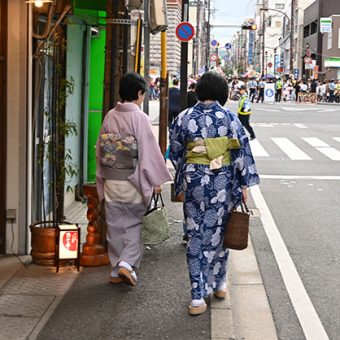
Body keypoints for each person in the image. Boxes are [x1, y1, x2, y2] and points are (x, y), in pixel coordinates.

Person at [169, 72, 260, 316]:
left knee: (196, 236)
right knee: (221, 233)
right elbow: (241, 153)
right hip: (223, 184)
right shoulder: (230, 117)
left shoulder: (184, 117)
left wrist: (189, 171)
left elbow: (176, 151)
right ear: (222, 93)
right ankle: (219, 284)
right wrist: (244, 185)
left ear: (198, 91)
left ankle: (197, 296)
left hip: (194, 184)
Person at [96, 72, 172, 286]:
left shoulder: (110, 115)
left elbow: (100, 149)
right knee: (135, 225)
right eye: (143, 94)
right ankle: (127, 264)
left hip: (111, 178)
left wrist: (101, 175)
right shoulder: (139, 118)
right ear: (139, 93)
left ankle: (115, 270)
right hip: (132, 180)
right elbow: (148, 151)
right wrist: (155, 181)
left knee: (115, 225)